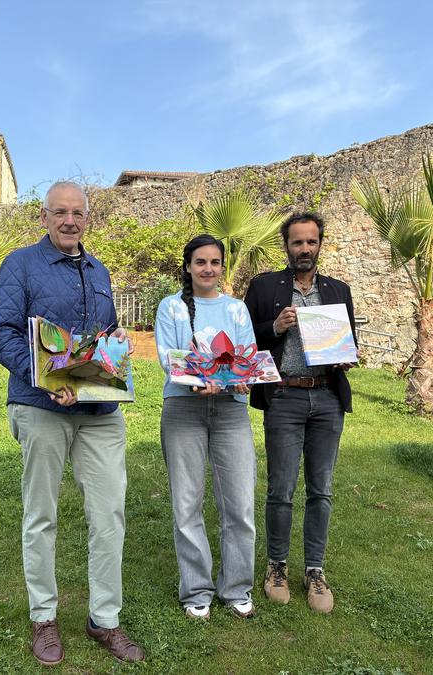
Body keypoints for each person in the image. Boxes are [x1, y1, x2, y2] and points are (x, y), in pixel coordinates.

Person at [0, 181, 145, 666]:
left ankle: (105, 620)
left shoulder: (98, 269)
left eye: (77, 213)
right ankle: (44, 617)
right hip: (42, 408)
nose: (69, 221)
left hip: (99, 411)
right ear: (44, 216)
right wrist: (44, 378)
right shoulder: (21, 264)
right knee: (42, 516)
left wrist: (118, 341)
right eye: (60, 212)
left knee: (109, 516)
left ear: (87, 217)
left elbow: (104, 336)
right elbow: (3, 335)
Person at [244, 211, 357, 614]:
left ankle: (314, 570)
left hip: (327, 398)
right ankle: (276, 565)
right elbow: (244, 339)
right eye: (297, 242)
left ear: (320, 244)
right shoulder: (263, 286)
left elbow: (350, 342)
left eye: (311, 242)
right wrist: (274, 327)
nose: (304, 249)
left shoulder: (338, 290)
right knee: (281, 488)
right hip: (285, 396)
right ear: (286, 246)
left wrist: (346, 357)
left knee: (321, 488)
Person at [154, 234, 257, 621]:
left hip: (231, 410)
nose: (208, 269)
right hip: (183, 409)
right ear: (188, 266)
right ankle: (197, 589)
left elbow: (246, 356)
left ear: (222, 266)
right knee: (186, 502)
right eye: (200, 262)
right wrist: (197, 380)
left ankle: (236, 587)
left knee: (240, 503)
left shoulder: (236, 309)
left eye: (215, 262)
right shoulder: (172, 307)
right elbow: (169, 357)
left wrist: (243, 378)